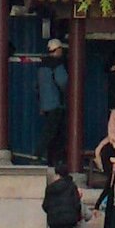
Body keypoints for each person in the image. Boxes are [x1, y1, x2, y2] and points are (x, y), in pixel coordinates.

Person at [35, 36, 69, 166]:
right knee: (55, 133)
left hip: (46, 104)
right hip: (57, 104)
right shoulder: (58, 65)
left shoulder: (42, 66)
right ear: (58, 49)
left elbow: (38, 87)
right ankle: (38, 154)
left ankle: (50, 160)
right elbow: (63, 82)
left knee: (51, 132)